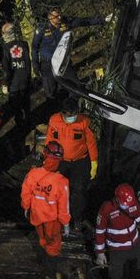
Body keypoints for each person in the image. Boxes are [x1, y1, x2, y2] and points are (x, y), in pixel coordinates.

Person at [45, 97, 98, 232]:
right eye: (69, 115)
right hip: (61, 162)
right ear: (62, 113)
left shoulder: (84, 122)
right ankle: (60, 218)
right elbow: (49, 140)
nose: (71, 118)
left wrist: (94, 162)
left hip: (80, 162)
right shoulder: (54, 120)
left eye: (74, 115)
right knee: (60, 191)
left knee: (79, 191)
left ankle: (78, 219)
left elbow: (91, 143)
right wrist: (48, 160)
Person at [32, 7, 107, 99]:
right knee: (51, 92)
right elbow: (35, 47)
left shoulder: (65, 22)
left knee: (75, 86)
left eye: (60, 15)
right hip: (47, 63)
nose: (59, 18)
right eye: (56, 16)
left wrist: (102, 19)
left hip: (62, 61)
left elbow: (83, 21)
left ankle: (72, 104)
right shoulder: (42, 27)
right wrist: (35, 65)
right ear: (49, 17)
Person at [21, 141, 70, 277]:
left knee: (42, 239)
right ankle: (51, 269)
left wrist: (26, 207)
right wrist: (65, 223)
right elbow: (64, 206)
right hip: (52, 220)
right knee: (53, 245)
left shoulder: (33, 174)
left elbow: (25, 193)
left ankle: (44, 263)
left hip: (36, 216)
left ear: (45, 154)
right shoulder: (61, 181)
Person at [0, 22, 32, 125]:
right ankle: (28, 121)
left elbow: (6, 69)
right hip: (25, 78)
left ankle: (20, 125)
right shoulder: (24, 44)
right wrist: (29, 77)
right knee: (26, 103)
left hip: (13, 82)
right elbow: (28, 62)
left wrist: (5, 83)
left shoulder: (4, 48)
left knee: (16, 106)